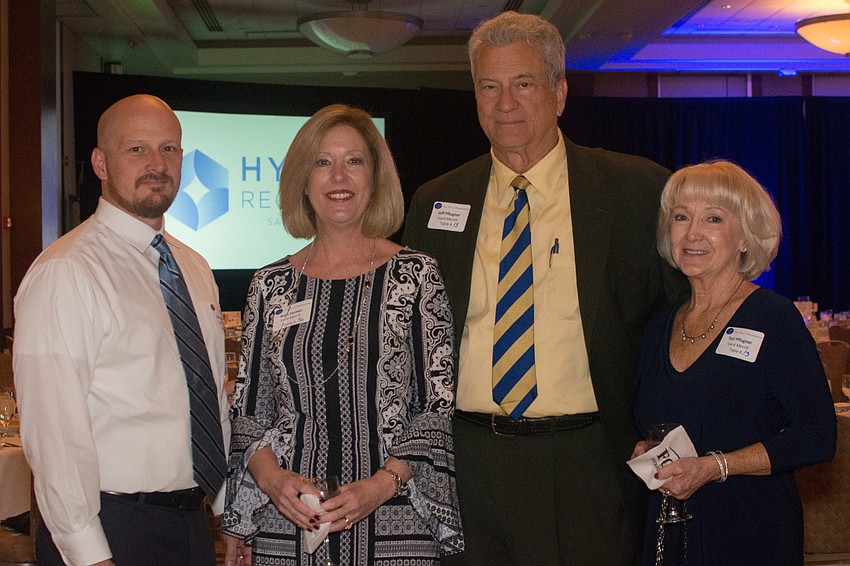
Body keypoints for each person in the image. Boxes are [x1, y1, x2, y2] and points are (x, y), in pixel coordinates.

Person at [403, 10, 688, 566]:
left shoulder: (636, 190)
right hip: (468, 464)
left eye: (524, 84)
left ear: (559, 93)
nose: (505, 103)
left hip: (590, 461)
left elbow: (680, 317)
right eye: (489, 86)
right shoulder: (437, 200)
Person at [222, 103, 463, 566]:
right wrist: (273, 482)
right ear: (302, 180)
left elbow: (436, 407)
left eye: (354, 160)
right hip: (290, 520)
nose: (338, 176)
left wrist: (379, 486)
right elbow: (250, 409)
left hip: (394, 518)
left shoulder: (416, 275)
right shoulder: (270, 286)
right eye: (322, 162)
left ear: (375, 178)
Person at [12, 94, 230, 566]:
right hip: (110, 527)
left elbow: (209, 397)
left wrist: (227, 510)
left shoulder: (193, 267)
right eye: (136, 149)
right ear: (100, 163)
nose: (157, 164)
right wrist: (88, 553)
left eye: (169, 149)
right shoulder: (67, 271)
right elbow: (54, 435)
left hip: (192, 524)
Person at [632, 160, 836, 565]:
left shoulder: (772, 318)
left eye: (713, 219)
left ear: (745, 237)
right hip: (670, 532)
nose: (692, 233)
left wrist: (714, 467)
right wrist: (648, 451)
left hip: (749, 530)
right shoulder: (658, 326)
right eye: (681, 217)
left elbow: (817, 436)